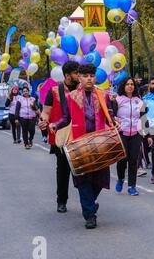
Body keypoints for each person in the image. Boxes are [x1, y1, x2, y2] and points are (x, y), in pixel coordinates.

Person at [49, 64, 114, 229]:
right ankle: (90, 215)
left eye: (92, 76)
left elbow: (109, 115)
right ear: (80, 78)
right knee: (83, 179)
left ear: (95, 78)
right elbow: (66, 117)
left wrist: (115, 122)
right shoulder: (71, 96)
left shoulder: (102, 95)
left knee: (101, 179)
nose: (89, 79)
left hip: (99, 142)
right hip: (79, 143)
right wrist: (56, 125)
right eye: (85, 76)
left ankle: (90, 202)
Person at [38, 61, 80, 213]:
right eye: (76, 73)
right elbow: (46, 112)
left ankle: (88, 201)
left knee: (84, 170)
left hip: (81, 136)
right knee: (63, 170)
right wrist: (43, 120)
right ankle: (61, 200)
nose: (79, 76)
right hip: (61, 137)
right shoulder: (54, 91)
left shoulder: (84, 89)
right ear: (68, 75)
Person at [113, 77, 152, 196]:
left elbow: (144, 118)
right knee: (122, 159)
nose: (130, 86)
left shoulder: (139, 101)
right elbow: (111, 116)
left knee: (133, 160)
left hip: (136, 134)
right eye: (127, 84)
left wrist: (148, 135)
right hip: (122, 133)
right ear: (123, 86)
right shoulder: (117, 100)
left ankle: (131, 186)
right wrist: (116, 123)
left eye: (132, 84)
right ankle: (120, 179)